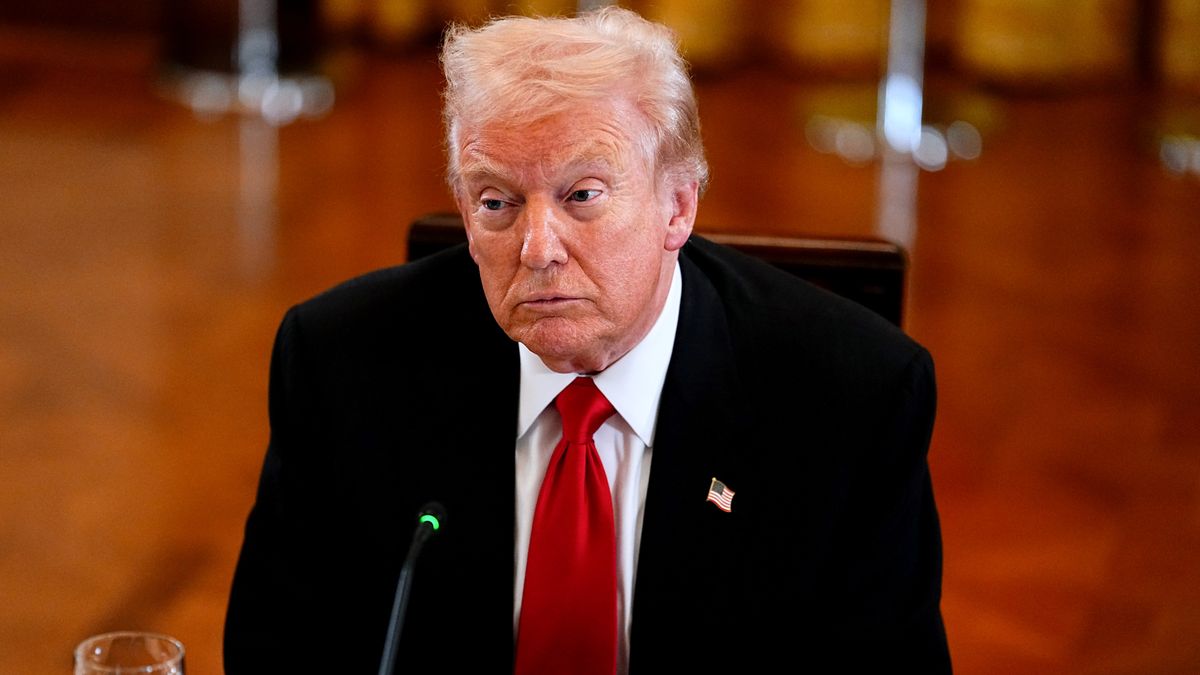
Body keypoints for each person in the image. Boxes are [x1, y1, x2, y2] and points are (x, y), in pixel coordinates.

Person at [224, 6, 951, 674]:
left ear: (678, 204)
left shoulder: (849, 401)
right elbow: (277, 652)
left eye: (582, 195)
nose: (538, 247)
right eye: (496, 202)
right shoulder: (342, 364)